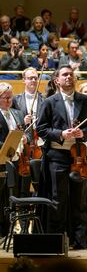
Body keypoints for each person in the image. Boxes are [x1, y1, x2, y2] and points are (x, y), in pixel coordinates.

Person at [36, 65, 87, 249]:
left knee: (79, 200)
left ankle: (80, 240)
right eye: (64, 75)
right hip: (57, 156)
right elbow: (41, 129)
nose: (68, 77)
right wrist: (62, 134)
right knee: (58, 199)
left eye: (71, 74)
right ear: (57, 80)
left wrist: (83, 134)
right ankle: (58, 240)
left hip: (80, 157)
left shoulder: (85, 101)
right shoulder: (49, 102)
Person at [0, 82, 29, 238]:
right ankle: (3, 231)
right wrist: (9, 144)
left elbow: (26, 133)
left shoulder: (17, 113)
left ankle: (20, 229)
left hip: (20, 161)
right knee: (3, 197)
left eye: (10, 97)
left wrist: (25, 138)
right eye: (5, 98)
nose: (9, 101)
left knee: (20, 194)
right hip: (2, 162)